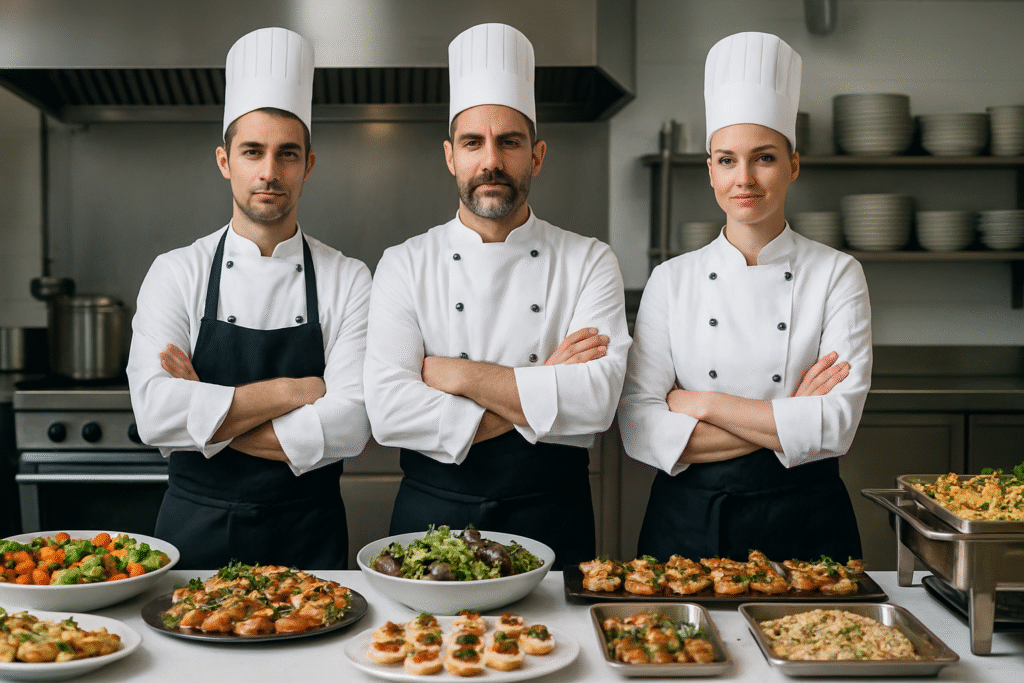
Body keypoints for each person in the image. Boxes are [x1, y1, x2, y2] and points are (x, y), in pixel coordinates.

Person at [363, 23, 629, 569]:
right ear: (450, 156)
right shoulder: (405, 262)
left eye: (509, 142)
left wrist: (458, 375)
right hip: (432, 521)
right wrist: (544, 387)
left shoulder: (589, 260)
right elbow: (388, 412)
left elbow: (596, 402)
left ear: (537, 155)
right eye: (473, 143)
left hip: (553, 516)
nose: (491, 160)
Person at [618, 32, 871, 563]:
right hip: (688, 524)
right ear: (710, 169)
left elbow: (835, 426)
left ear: (793, 164)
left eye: (764, 158)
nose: (745, 179)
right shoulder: (672, 279)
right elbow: (641, 429)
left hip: (807, 523)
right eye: (727, 160)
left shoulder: (837, 274)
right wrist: (791, 417)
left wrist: (702, 403)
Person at [126, 27, 372, 569]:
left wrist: (206, 412)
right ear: (224, 161)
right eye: (252, 152)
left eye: (287, 154)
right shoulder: (176, 272)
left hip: (309, 540)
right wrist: (296, 389)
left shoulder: (349, 278)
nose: (269, 172)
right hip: (196, 536)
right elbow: (155, 416)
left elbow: (351, 425)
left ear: (308, 164)